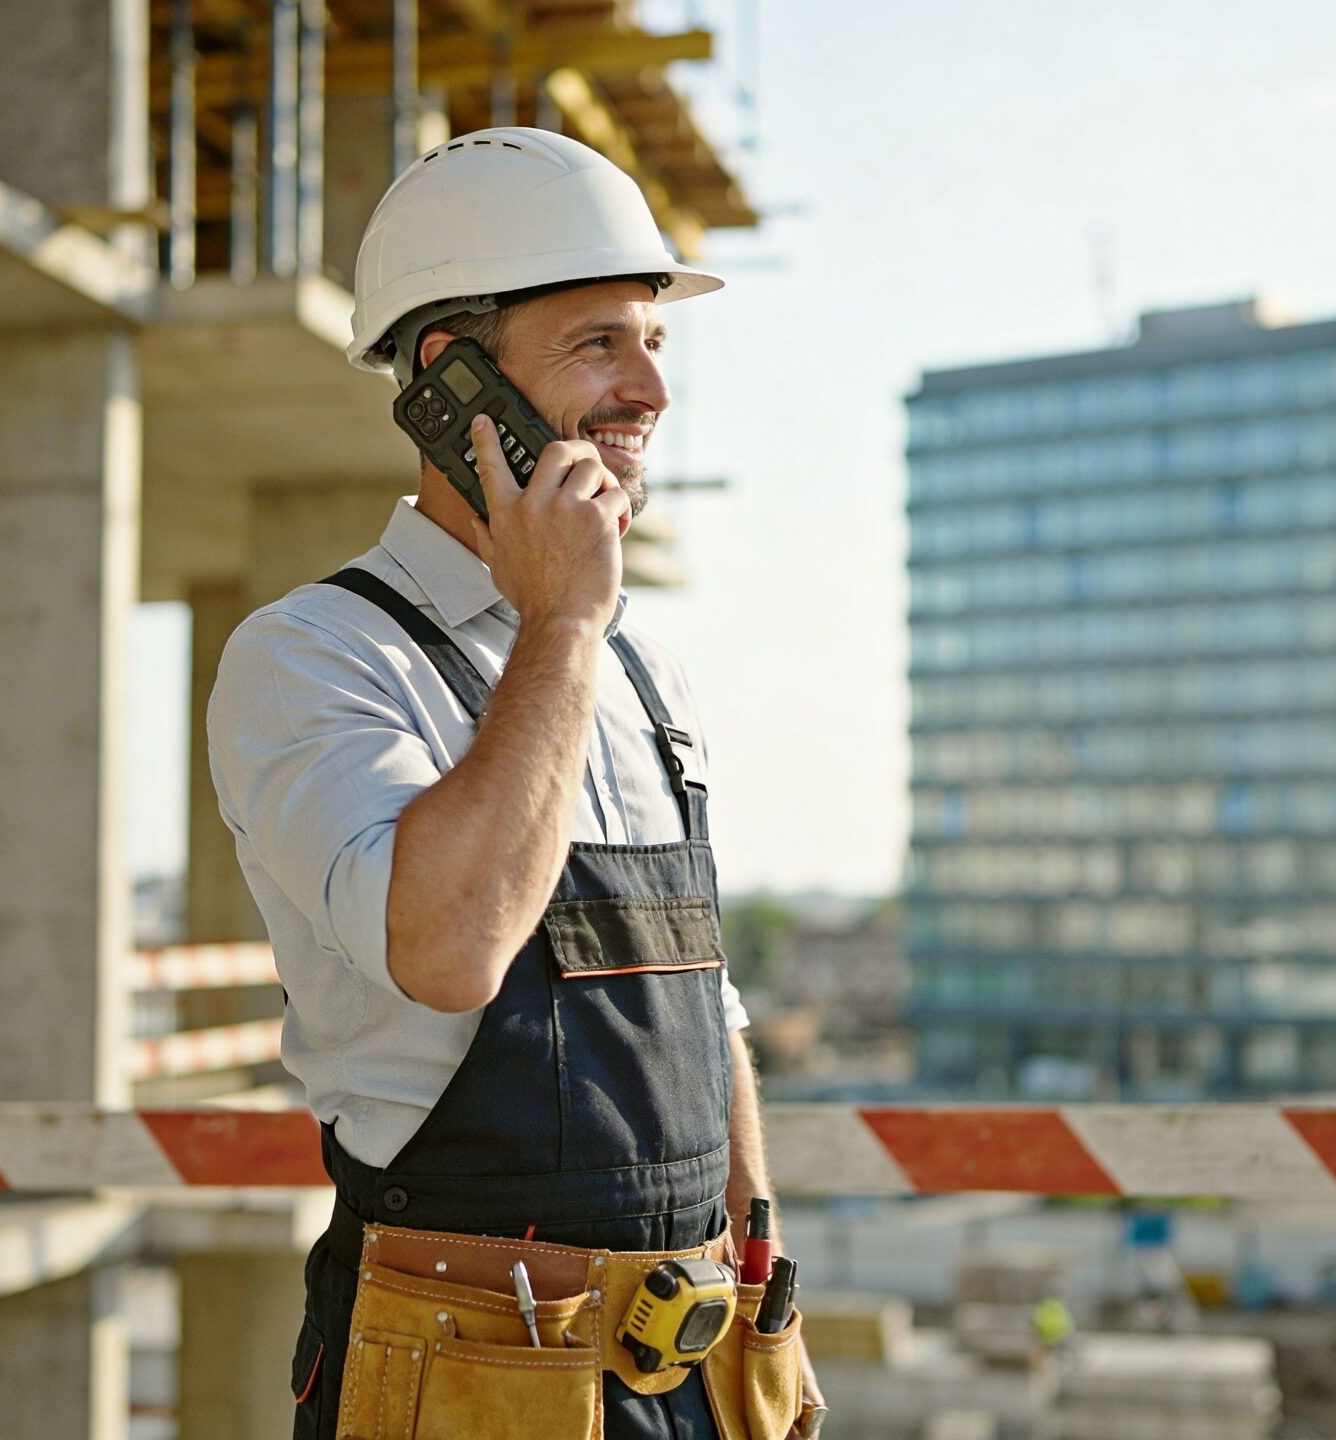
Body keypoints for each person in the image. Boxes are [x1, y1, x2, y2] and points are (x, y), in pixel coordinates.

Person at [207, 127, 823, 1440]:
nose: (650, 390)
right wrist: (553, 628)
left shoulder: (641, 673)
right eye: (599, 342)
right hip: (463, 1375)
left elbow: (705, 1010)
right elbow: (449, 946)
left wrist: (762, 1283)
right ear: (453, 378)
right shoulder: (316, 657)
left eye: (657, 342)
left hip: (693, 1364)